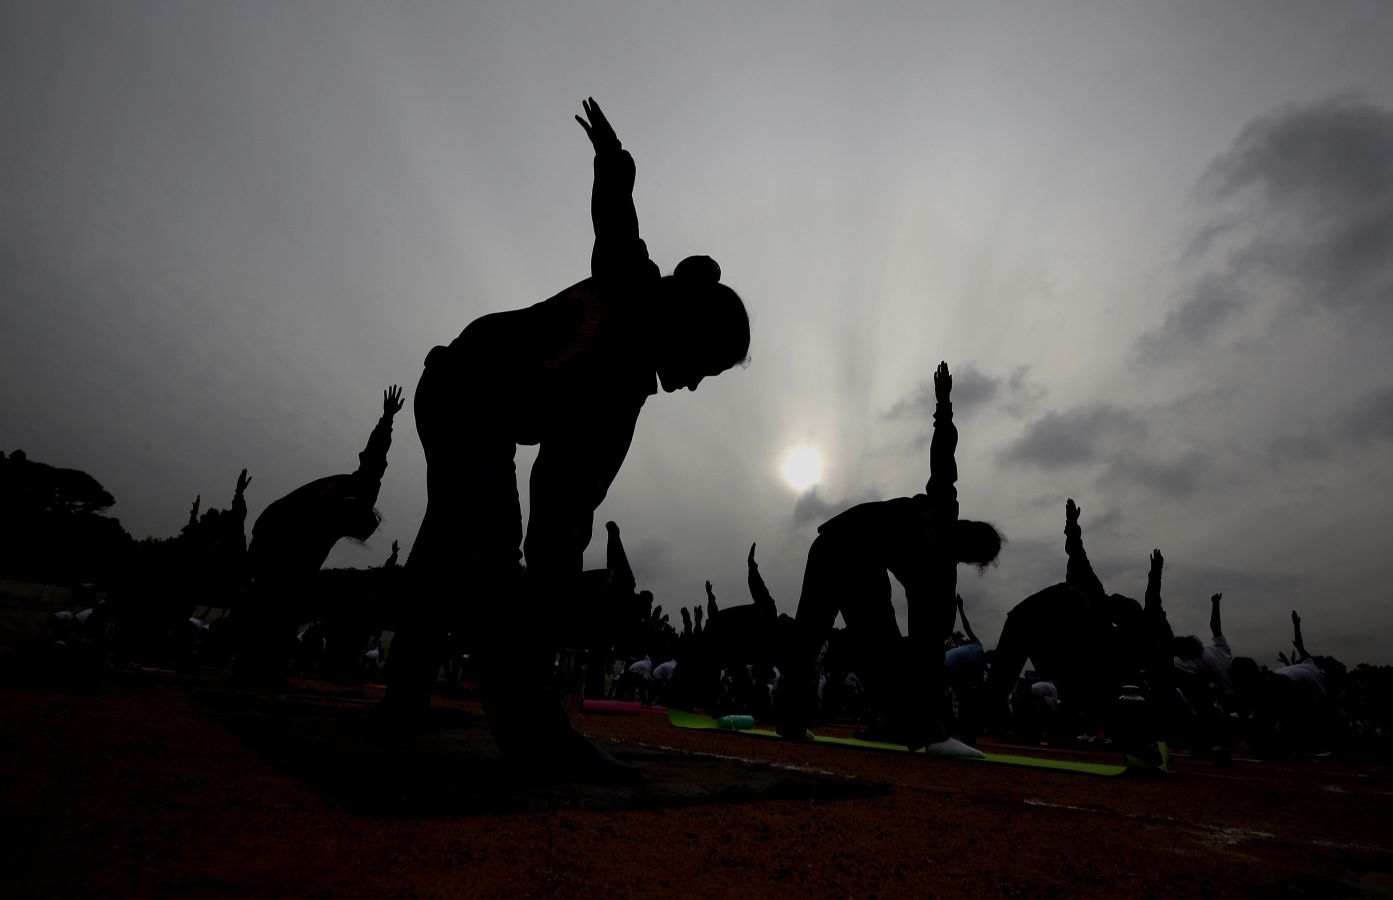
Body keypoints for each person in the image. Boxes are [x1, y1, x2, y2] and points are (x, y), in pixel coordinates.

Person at [382, 99, 750, 776]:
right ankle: (531, 728)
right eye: (707, 365)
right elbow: (616, 213)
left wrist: (549, 591)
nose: (695, 384)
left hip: (478, 400)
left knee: (451, 547)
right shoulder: (632, 287)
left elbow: (562, 510)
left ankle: (406, 692)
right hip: (463, 388)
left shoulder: (627, 382)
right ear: (690, 326)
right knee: (486, 547)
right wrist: (612, 161)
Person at [776, 362, 1002, 756]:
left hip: (863, 567)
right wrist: (944, 406)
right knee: (810, 634)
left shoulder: (939, 575)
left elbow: (930, 645)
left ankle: (899, 722)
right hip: (836, 545)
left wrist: (932, 727)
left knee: (882, 645)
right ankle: (793, 720)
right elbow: (944, 455)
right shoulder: (942, 505)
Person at [237, 386, 403, 679]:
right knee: (277, 598)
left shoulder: (333, 520)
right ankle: (257, 664)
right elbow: (374, 455)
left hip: (280, 534)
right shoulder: (345, 494)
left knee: (285, 599)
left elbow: (376, 456)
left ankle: (262, 664)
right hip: (273, 530)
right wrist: (386, 418)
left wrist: (388, 419)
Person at [985, 500, 1165, 752]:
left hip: (1045, 637)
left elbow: (1125, 677)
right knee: (1004, 683)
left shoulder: (1107, 634)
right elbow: (1076, 550)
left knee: (1077, 685)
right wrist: (1072, 524)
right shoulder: (1090, 588)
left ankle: (1049, 728)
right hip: (1025, 622)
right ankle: (988, 724)